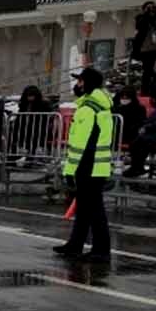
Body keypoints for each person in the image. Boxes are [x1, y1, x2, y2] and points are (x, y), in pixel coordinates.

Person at [55, 68, 113, 262]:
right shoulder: (99, 105)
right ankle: (75, 244)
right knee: (85, 206)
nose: (77, 85)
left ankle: (101, 250)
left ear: (88, 83)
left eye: (80, 81)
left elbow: (80, 143)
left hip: (88, 164)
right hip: (96, 163)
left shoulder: (89, 108)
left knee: (94, 209)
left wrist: (70, 170)